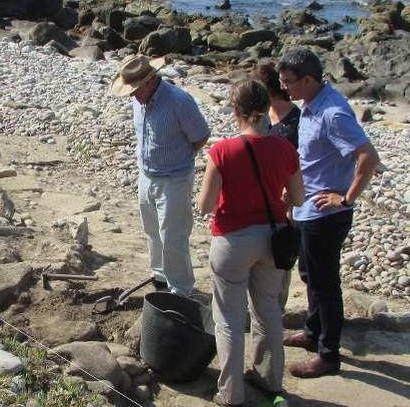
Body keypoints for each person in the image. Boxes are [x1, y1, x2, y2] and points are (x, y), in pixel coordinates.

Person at [197, 79, 305, 407]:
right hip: (273, 240)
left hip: (232, 239)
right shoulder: (286, 148)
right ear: (267, 109)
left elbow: (205, 205)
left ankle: (230, 393)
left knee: (228, 318)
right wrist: (279, 198)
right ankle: (269, 378)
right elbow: (298, 198)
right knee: (268, 311)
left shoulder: (222, 151)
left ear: (235, 111)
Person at [277, 48, 379, 378]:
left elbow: (368, 157)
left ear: (308, 79)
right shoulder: (310, 103)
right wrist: (293, 194)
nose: (284, 89)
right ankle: (312, 332)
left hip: (326, 215)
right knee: (309, 276)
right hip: (307, 209)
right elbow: (310, 160)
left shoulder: (333, 113)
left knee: (325, 284)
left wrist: (346, 198)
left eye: (288, 82)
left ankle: (328, 355)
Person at [111, 54, 210, 295]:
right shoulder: (139, 100)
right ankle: (161, 277)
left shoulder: (179, 101)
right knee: (152, 231)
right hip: (146, 175)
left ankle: (181, 290)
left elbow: (201, 136)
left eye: (134, 89)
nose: (131, 95)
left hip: (174, 178)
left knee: (173, 238)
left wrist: (178, 158)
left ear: (149, 81)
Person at [252, 62, 301, 312]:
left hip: (286, 196)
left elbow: (301, 162)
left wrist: (292, 196)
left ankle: (277, 307)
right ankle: (262, 307)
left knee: (281, 251)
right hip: (262, 193)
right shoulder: (261, 118)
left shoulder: (296, 120)